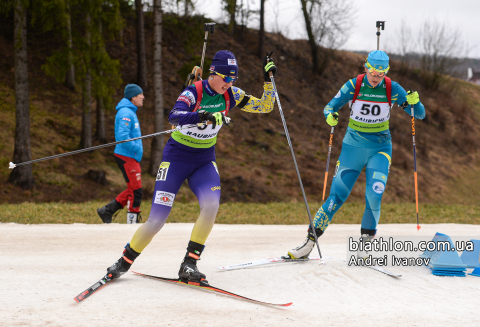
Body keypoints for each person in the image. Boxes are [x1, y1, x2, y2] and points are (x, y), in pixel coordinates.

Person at [104, 50, 278, 283]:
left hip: (204, 161)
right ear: (213, 74)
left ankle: (189, 264)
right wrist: (203, 115)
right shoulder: (194, 91)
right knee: (157, 219)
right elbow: (173, 116)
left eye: (233, 79)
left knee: (211, 206)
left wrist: (269, 80)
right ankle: (124, 261)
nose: (229, 83)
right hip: (176, 159)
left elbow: (265, 106)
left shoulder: (232, 94)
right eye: (226, 78)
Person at [284, 50, 425, 259]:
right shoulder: (354, 85)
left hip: (380, 149)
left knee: (374, 196)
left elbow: (419, 114)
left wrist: (415, 102)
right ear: (365, 67)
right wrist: (330, 116)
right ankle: (308, 243)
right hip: (353, 148)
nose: (376, 76)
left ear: (387, 71)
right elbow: (329, 106)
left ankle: (365, 246)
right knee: (336, 198)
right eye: (373, 71)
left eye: (381, 72)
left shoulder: (392, 88)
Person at [97, 84, 145, 224]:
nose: (143, 97)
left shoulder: (130, 112)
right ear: (133, 97)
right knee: (136, 190)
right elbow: (122, 138)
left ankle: (107, 210)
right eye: (140, 94)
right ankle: (132, 222)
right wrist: (136, 147)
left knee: (133, 188)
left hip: (130, 155)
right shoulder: (126, 113)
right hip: (126, 156)